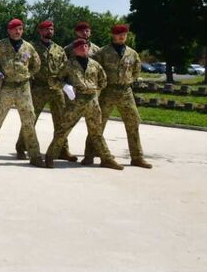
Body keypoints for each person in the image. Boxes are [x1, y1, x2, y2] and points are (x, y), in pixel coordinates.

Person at [43, 39, 123, 170]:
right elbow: (53, 80)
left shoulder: (95, 65)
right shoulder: (68, 65)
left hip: (92, 101)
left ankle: (106, 158)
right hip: (76, 102)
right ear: (75, 50)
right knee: (63, 130)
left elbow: (103, 81)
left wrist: (94, 90)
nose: (84, 48)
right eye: (81, 46)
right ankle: (50, 157)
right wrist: (65, 86)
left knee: (96, 132)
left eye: (86, 46)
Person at [0, 19, 46, 167]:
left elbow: (37, 64)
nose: (18, 31)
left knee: (29, 121)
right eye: (14, 29)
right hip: (6, 87)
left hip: (23, 88)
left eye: (20, 28)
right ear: (8, 31)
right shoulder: (0, 45)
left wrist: (28, 74)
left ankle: (35, 156)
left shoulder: (28, 47)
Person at [90, 24, 152, 168]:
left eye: (124, 33)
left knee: (133, 123)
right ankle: (90, 155)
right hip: (108, 91)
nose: (121, 36)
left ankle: (137, 157)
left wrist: (128, 81)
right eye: (118, 33)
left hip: (126, 92)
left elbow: (136, 71)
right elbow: (93, 70)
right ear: (112, 35)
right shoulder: (102, 52)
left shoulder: (132, 53)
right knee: (98, 124)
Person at [15, 20, 75, 161]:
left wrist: (68, 85)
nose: (49, 32)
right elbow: (24, 65)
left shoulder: (59, 50)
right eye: (46, 29)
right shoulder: (31, 48)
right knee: (30, 120)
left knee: (61, 121)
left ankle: (62, 150)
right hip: (38, 88)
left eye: (51, 29)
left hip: (57, 89)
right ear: (40, 31)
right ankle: (21, 148)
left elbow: (66, 68)